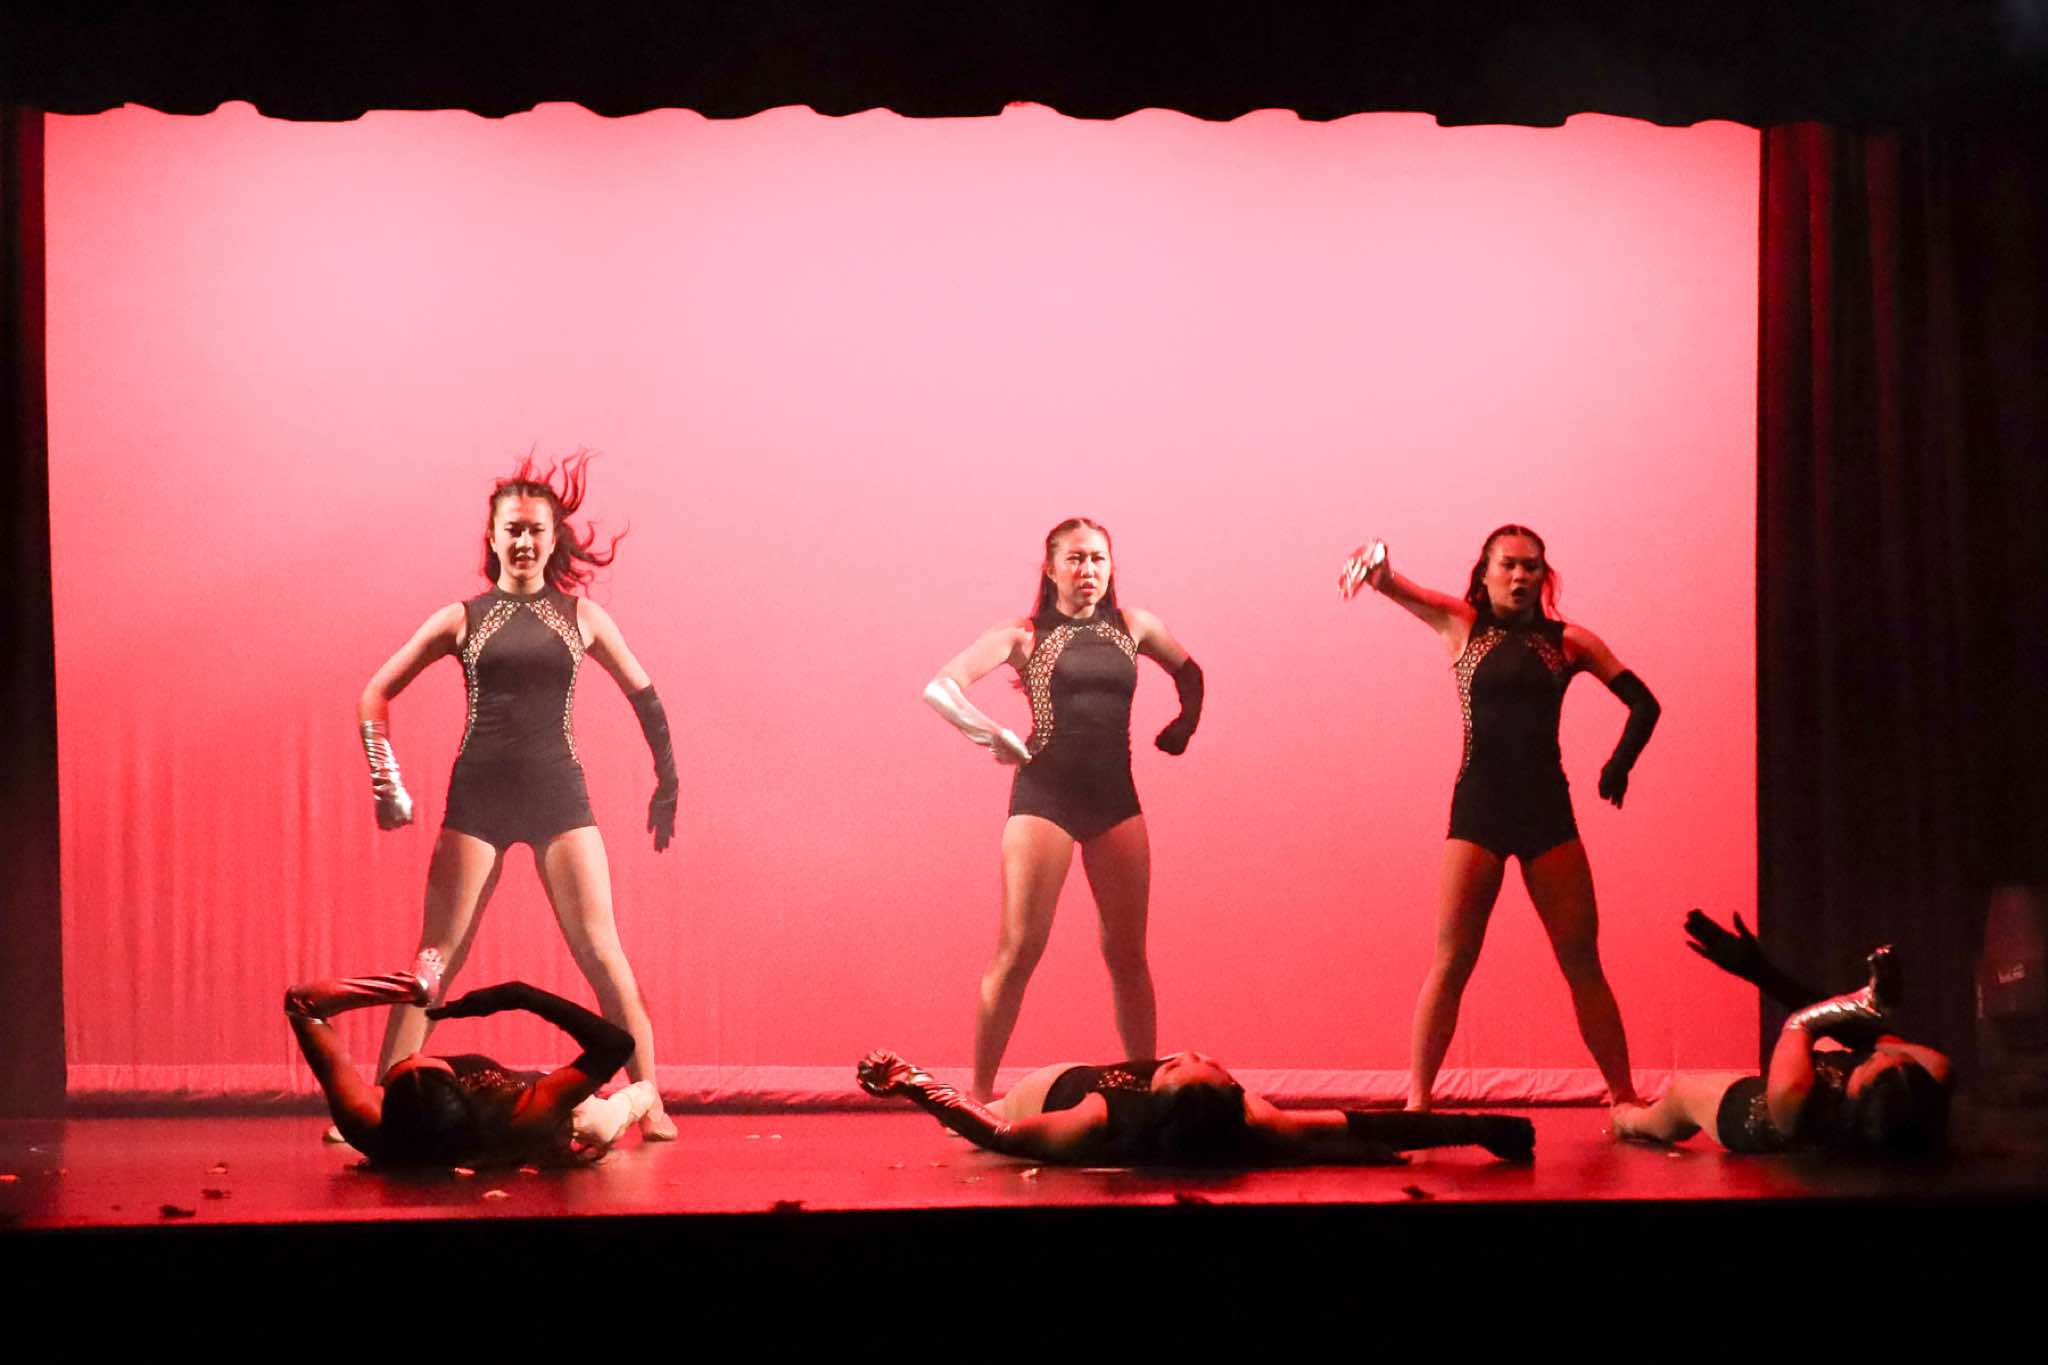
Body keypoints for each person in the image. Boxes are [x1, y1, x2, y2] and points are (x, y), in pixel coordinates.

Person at [357, 453, 676, 1139]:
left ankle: (652, 1100)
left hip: (558, 794)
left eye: (536, 530)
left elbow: (645, 695)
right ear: (494, 536)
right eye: (513, 529)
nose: (525, 541)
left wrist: (667, 783)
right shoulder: (462, 618)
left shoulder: (582, 617)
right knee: (435, 956)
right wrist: (387, 781)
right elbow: (375, 691)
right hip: (479, 797)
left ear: (554, 537)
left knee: (603, 952)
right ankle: (388, 1099)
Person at [1341, 526, 1659, 1112]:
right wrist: (1375, 568)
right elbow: (1397, 586)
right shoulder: (1462, 625)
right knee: (1451, 960)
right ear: (1485, 574)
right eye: (1508, 565)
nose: (1519, 576)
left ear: (1544, 576)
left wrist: (1619, 764)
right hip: (1479, 812)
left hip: (1547, 815)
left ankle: (1624, 1095)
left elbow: (1645, 703)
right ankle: (1418, 1101)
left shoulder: (1570, 642)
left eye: (1531, 567)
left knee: (1582, 961)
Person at [924, 517, 1205, 1099]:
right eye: (1075, 559)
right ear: (1050, 569)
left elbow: (1191, 673)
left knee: (1128, 955)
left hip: (1115, 800)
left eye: (1098, 558)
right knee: (1018, 949)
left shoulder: (1135, 626)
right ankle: (978, 1097)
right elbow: (942, 687)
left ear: (1111, 566)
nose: (1088, 570)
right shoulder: (1023, 635)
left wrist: (1184, 725)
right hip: (1045, 798)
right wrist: (990, 734)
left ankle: (1143, 1095)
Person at [1611, 913, 1951, 1155]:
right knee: (1862, 1041)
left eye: (1870, 1067)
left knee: (1683, 1094)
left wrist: (1859, 1003)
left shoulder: (1793, 1096)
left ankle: (1628, 1120)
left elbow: (1801, 1023)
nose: (1879, 1057)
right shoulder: (1916, 1092)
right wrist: (1760, 971)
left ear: (1853, 1096)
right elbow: (1880, 1046)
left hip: (1759, 1116)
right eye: (1897, 1063)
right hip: (1832, 1099)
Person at [857, 1049, 1534, 1165]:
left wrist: (913, 1082)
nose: (1187, 1050)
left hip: (1037, 1094)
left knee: (975, 1143)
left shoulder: (1097, 1118)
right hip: (1062, 1097)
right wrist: (1480, 1127)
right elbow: (1367, 1126)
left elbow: (1001, 1131)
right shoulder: (1253, 1119)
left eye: (1183, 1061)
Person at [285, 970, 661, 1165]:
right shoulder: (521, 1118)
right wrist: (519, 996)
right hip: (570, 1119)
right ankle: (642, 1098)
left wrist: (407, 988)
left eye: (398, 1073)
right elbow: (616, 1045)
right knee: (608, 1118)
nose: (412, 1056)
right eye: (423, 1065)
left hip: (515, 1120)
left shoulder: (366, 1120)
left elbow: (303, 1004)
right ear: (463, 1089)